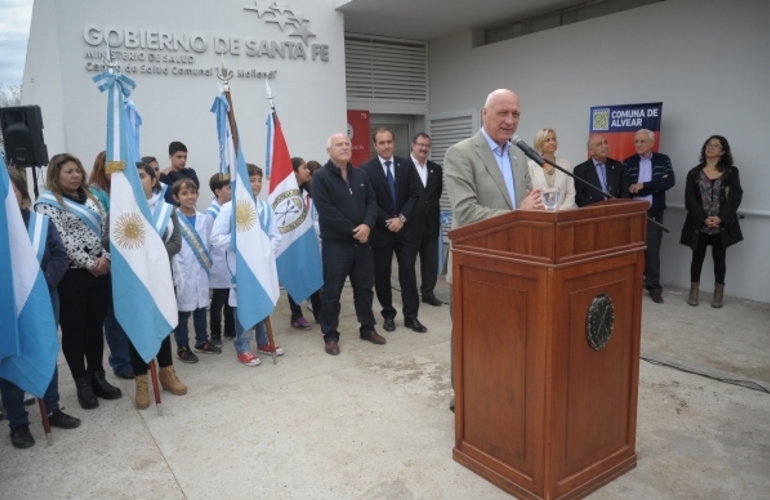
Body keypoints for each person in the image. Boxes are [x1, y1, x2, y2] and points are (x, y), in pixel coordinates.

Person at [444, 89, 543, 411]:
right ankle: (465, 396)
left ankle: (499, 391)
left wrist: (533, 209)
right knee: (470, 338)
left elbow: (521, 205)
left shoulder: (518, 154)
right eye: (503, 113)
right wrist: (520, 213)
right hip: (473, 266)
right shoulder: (460, 153)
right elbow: (467, 212)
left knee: (505, 338)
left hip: (515, 263)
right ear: (484, 114)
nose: (510, 121)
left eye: (515, 114)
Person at [34, 153, 122, 409]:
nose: (75, 176)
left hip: (101, 270)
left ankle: (97, 376)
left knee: (94, 327)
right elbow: (60, 240)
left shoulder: (93, 198)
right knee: (74, 331)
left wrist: (105, 258)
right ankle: (82, 383)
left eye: (78, 171)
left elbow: (107, 230)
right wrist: (90, 263)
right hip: (71, 275)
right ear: (55, 175)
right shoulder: (48, 202)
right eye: (69, 172)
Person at [1, 171, 81, 449]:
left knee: (45, 348)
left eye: (12, 190)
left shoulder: (40, 223)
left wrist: (42, 284)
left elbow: (60, 255)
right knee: (10, 356)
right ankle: (18, 422)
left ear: (22, 193)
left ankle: (52, 409)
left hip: (45, 297)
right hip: (7, 305)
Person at [102, 163, 187, 409]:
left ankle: (167, 372)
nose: (137, 181)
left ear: (153, 179)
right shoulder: (117, 210)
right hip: (133, 281)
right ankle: (141, 380)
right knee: (136, 326)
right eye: (131, 177)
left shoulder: (165, 210)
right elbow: (106, 243)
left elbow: (177, 242)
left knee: (162, 323)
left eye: (141, 176)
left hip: (160, 277)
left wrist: (153, 258)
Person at [312, 133, 381, 355]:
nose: (344, 147)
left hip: (362, 244)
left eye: (347, 144)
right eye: (339, 144)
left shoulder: (360, 174)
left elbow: (372, 201)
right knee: (332, 292)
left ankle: (367, 328)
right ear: (329, 151)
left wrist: (368, 226)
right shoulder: (321, 178)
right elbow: (326, 211)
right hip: (336, 246)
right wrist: (355, 231)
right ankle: (330, 335)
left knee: (364, 289)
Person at [210, 164, 285, 366]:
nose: (257, 184)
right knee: (243, 305)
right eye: (252, 180)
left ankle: (263, 341)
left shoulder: (265, 208)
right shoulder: (229, 208)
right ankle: (242, 346)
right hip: (241, 267)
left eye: (260, 180)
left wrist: (265, 250)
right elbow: (216, 237)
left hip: (262, 265)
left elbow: (275, 236)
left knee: (262, 300)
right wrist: (243, 245)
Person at [360, 128, 425, 333]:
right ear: (375, 145)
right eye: (381, 143)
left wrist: (401, 219)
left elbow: (415, 195)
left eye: (389, 142)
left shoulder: (406, 165)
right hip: (381, 231)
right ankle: (388, 314)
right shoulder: (366, 169)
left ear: (394, 143)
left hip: (405, 230)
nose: (386, 146)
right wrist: (388, 221)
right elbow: (368, 201)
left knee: (408, 273)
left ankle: (411, 316)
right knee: (382, 275)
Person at [87, 150, 134, 380]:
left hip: (128, 260)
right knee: (113, 316)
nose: (114, 172)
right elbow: (101, 233)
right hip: (108, 259)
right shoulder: (95, 195)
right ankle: (121, 362)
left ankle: (132, 357)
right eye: (109, 166)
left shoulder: (124, 192)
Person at [680, 135, 743, 308]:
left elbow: (735, 197)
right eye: (709, 144)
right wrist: (703, 218)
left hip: (721, 224)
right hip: (699, 223)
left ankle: (718, 294)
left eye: (716, 145)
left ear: (722, 152)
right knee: (697, 257)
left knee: (719, 258)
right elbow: (689, 200)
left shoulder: (731, 172)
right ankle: (694, 292)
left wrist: (721, 217)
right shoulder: (694, 172)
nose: (711, 147)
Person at [171, 178, 221, 363]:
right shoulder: (172, 219)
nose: (189, 197)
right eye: (184, 193)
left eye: (193, 193)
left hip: (201, 271)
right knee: (183, 313)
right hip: (183, 273)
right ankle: (182, 347)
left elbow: (209, 244)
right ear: (176, 197)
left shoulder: (205, 219)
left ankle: (202, 340)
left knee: (201, 307)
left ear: (198, 195)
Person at [623, 129, 676, 304]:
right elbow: (627, 187)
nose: (638, 145)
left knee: (652, 252)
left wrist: (643, 186)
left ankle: (654, 288)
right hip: (633, 215)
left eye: (642, 142)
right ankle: (630, 285)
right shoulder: (628, 162)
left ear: (651, 143)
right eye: (636, 141)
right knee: (631, 252)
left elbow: (669, 182)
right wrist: (654, 186)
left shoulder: (663, 160)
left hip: (653, 213)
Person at [407, 133, 444, 307]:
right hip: (410, 224)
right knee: (408, 262)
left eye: (427, 146)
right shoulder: (403, 167)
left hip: (431, 223)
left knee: (430, 262)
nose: (424, 149)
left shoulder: (436, 169)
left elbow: (436, 195)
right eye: (421, 145)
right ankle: (410, 294)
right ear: (412, 146)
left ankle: (428, 292)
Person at [286, 157, 322, 329]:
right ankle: (296, 314)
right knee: (295, 277)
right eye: (304, 167)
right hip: (292, 242)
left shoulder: (310, 192)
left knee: (313, 276)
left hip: (311, 241)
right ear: (294, 172)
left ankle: (319, 311)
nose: (308, 171)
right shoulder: (287, 195)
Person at [206, 173, 233, 345]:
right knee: (218, 300)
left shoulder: (230, 208)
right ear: (217, 191)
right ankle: (215, 332)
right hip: (218, 263)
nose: (233, 191)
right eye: (229, 188)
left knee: (231, 298)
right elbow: (209, 241)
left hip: (229, 262)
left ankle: (230, 328)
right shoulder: (211, 214)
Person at [526, 128, 577, 211]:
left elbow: (570, 193)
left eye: (554, 139)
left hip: (562, 215)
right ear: (540, 144)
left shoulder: (565, 163)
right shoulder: (530, 166)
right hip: (540, 215)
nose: (552, 142)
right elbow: (529, 195)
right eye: (547, 140)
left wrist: (559, 212)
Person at [573, 134, 629, 207]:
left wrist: (619, 207)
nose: (605, 146)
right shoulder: (580, 170)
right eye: (599, 144)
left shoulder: (617, 166)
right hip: (594, 213)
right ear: (591, 151)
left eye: (605, 143)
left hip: (616, 211)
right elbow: (580, 197)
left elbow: (625, 192)